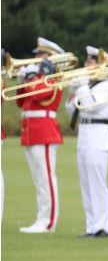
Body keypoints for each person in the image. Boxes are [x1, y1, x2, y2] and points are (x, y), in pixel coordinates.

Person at [15, 39, 65, 233]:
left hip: (44, 130)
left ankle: (48, 222)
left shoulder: (53, 77)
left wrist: (30, 78)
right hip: (31, 129)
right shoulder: (37, 77)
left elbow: (39, 95)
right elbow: (21, 102)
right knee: (38, 180)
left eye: (41, 55)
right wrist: (22, 81)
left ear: (51, 57)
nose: (36, 58)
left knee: (46, 179)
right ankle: (41, 218)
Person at [66, 45, 108, 238]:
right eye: (86, 61)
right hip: (85, 136)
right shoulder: (87, 85)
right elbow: (72, 109)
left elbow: (91, 105)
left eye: (91, 61)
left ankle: (102, 227)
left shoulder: (106, 85)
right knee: (86, 185)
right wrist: (72, 91)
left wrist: (82, 86)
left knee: (97, 184)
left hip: (99, 137)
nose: (87, 64)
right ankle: (91, 226)